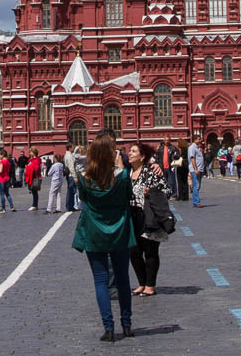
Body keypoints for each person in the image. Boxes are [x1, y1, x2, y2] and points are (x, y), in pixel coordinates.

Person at [72, 133, 135, 341]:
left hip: (94, 232)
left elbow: (83, 198)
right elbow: (128, 196)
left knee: (100, 281)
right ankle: (127, 325)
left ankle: (108, 328)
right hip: (119, 231)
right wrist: (121, 169)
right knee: (123, 279)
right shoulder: (122, 176)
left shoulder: (84, 177)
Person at [126, 143, 169, 297]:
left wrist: (150, 192)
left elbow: (166, 191)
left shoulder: (151, 171)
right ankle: (141, 283)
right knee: (134, 252)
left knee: (150, 251)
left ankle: (150, 285)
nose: (129, 153)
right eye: (130, 151)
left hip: (148, 216)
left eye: (133, 151)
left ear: (142, 156)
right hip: (131, 217)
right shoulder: (127, 172)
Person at [188, 137, 205, 207]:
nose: (200, 140)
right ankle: (196, 202)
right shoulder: (192, 147)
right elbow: (192, 158)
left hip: (200, 169)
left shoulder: (198, 148)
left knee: (197, 186)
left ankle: (195, 202)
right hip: (195, 169)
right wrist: (195, 169)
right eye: (199, 139)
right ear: (195, 140)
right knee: (196, 185)